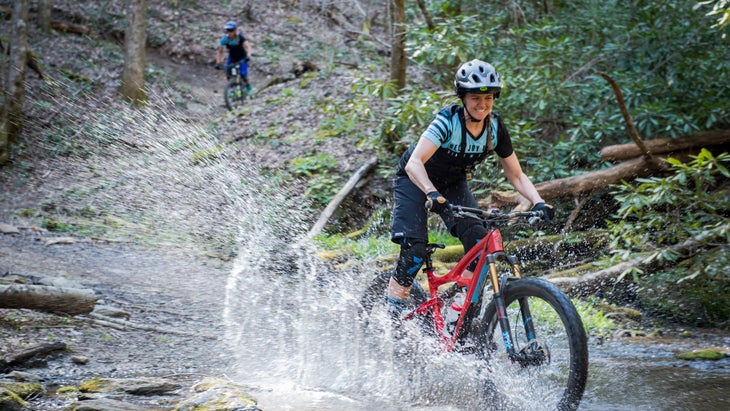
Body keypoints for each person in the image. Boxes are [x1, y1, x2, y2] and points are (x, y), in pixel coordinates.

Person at [386, 59, 555, 320]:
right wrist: (431, 193)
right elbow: (414, 163)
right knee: (415, 252)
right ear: (463, 98)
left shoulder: (495, 128)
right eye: (475, 97)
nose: (482, 104)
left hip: (452, 184)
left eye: (488, 98)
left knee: (480, 244)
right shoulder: (447, 122)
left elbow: (516, 174)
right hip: (415, 181)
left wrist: (538, 202)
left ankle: (456, 312)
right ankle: (389, 319)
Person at [215, 21, 253, 94]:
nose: (229, 32)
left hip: (242, 57)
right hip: (232, 58)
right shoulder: (224, 39)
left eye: (231, 30)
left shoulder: (240, 37)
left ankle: (248, 87)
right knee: (228, 73)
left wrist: (248, 56)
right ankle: (231, 88)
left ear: (235, 30)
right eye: (228, 30)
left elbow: (248, 47)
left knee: (243, 74)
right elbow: (219, 51)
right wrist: (218, 63)